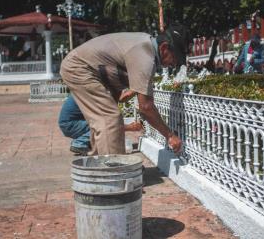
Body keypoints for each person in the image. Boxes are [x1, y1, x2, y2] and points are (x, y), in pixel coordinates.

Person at [60, 23, 186, 155]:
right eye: (175, 57)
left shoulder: (145, 47)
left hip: (90, 69)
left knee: (108, 122)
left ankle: (101, 163)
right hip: (79, 67)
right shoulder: (145, 56)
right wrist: (169, 135)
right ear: (164, 47)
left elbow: (115, 74)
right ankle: (112, 170)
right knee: (109, 119)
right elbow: (146, 107)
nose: (174, 64)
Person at [58, 91, 141, 155]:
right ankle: (80, 143)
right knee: (101, 125)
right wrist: (130, 127)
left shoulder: (84, 89)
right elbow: (108, 123)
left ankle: (86, 142)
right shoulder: (91, 93)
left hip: (69, 123)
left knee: (101, 124)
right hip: (70, 125)